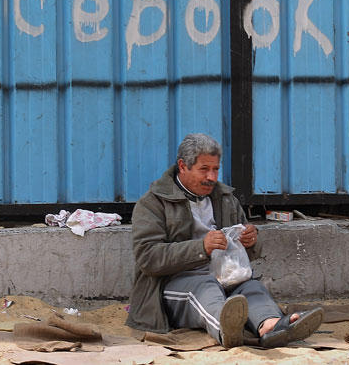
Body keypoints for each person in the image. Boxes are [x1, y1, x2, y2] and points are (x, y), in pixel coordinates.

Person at [126, 133, 323, 348]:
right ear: (183, 166)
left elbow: (247, 253)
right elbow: (148, 258)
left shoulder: (225, 198)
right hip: (170, 288)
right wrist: (201, 248)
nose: (212, 177)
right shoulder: (153, 203)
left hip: (224, 278)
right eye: (204, 169)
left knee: (251, 287)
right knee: (205, 285)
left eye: (215, 169)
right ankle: (226, 328)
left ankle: (272, 326)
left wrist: (252, 241)